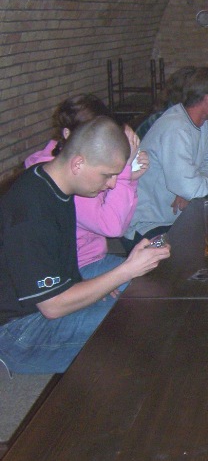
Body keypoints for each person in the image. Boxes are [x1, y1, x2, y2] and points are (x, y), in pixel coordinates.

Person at [0, 116, 170, 374]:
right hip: (19, 332)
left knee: (149, 297)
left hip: (46, 305)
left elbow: (62, 268)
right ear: (78, 163)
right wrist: (125, 271)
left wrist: (101, 286)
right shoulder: (31, 210)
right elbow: (53, 306)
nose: (111, 184)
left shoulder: (56, 183)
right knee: (136, 321)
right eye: (107, 175)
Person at [24, 94, 147, 281]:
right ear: (68, 134)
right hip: (79, 268)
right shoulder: (69, 176)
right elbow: (112, 227)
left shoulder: (81, 166)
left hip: (91, 259)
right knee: (150, 286)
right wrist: (124, 175)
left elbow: (118, 224)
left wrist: (129, 177)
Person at [124, 67, 208, 249]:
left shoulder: (200, 122)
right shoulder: (176, 128)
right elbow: (189, 186)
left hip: (174, 217)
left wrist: (191, 188)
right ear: (207, 99)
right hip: (148, 226)